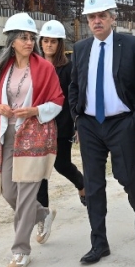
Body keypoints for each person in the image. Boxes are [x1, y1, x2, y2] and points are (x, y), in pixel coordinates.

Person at [68, 0, 135, 265]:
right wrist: (78, 119)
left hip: (121, 123)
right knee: (93, 185)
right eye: (91, 16)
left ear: (113, 17)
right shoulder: (81, 49)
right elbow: (73, 87)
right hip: (91, 125)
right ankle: (99, 243)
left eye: (102, 15)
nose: (96, 21)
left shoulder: (130, 45)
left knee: (126, 175)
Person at [0, 12, 63, 267]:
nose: (29, 42)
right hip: (8, 136)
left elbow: (58, 101)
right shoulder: (2, 70)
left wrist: (35, 111)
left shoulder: (45, 68)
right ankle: (42, 215)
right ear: (12, 41)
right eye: (23, 38)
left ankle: (21, 251)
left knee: (27, 195)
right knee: (9, 192)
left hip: (34, 136)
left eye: (32, 37)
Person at [36, 20, 86, 209]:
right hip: (40, 125)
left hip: (62, 126)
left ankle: (82, 185)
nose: (48, 45)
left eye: (53, 41)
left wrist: (76, 124)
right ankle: (43, 214)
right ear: (41, 42)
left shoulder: (68, 68)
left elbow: (74, 98)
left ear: (60, 44)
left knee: (62, 165)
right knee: (40, 170)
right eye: (45, 40)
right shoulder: (35, 67)